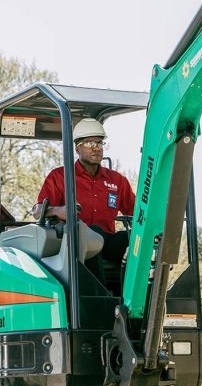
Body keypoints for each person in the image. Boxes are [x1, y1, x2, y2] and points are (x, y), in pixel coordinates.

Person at [34, 118, 135, 281]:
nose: (96, 148)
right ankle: (99, 298)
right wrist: (59, 211)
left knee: (131, 238)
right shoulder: (60, 176)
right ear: (77, 148)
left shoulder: (117, 180)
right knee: (92, 232)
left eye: (99, 143)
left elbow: (137, 213)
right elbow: (37, 211)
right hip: (72, 242)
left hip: (106, 240)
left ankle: (135, 299)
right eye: (89, 143)